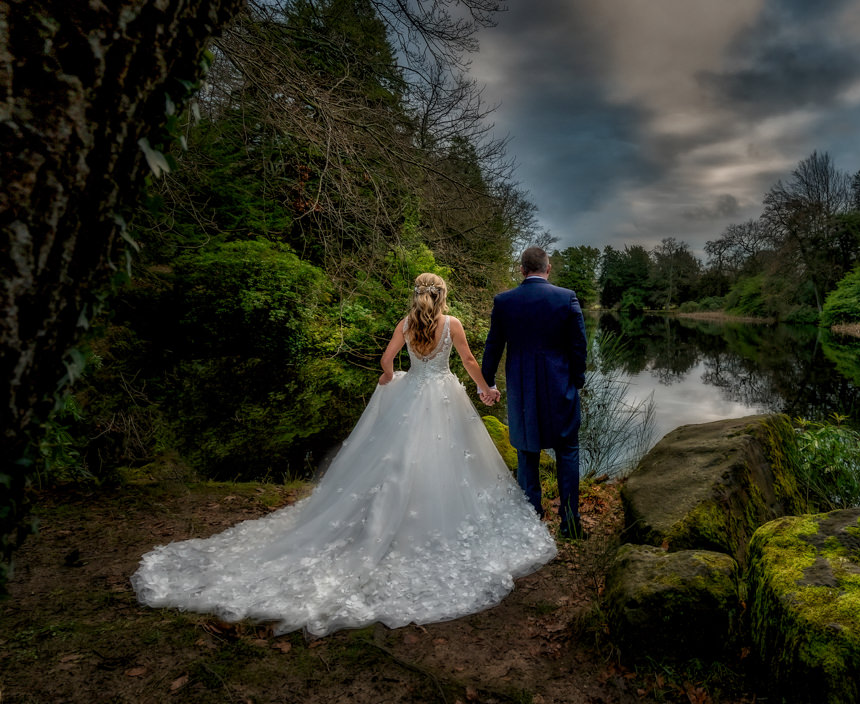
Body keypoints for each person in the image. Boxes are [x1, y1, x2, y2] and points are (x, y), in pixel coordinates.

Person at [130, 273, 556, 636]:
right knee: (448, 464)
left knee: (395, 462)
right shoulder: (453, 323)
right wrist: (485, 389)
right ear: (442, 297)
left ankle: (381, 521)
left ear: (416, 297)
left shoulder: (406, 324)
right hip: (444, 396)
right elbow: (465, 359)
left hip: (413, 395)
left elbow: (386, 361)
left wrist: (394, 377)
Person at [481, 247, 589, 540]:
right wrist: (576, 380)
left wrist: (487, 382)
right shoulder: (566, 297)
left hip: (522, 389)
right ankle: (570, 523)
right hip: (560, 388)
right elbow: (579, 345)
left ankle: (531, 522)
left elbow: (493, 346)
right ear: (548, 268)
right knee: (567, 451)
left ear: (522, 270)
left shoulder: (504, 301)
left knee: (527, 453)